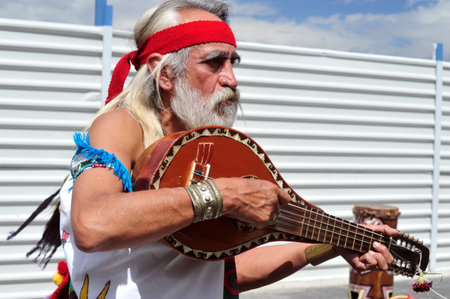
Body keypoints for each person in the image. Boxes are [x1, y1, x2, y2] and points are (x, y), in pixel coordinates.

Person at [12, 0, 398, 298]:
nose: (231, 78)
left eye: (233, 62)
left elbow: (225, 271)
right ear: (165, 74)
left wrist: (331, 244)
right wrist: (221, 195)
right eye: (215, 62)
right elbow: (93, 225)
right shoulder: (121, 125)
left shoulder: (205, 148)